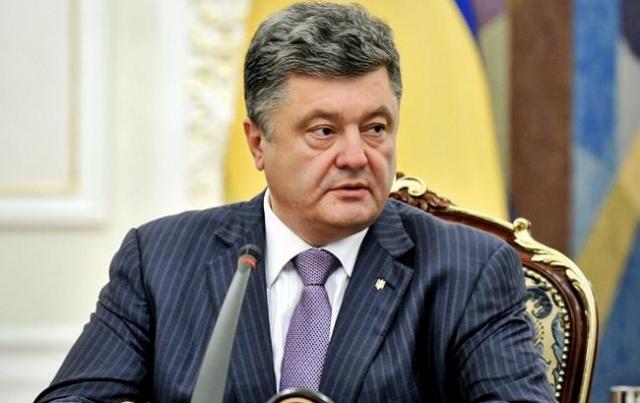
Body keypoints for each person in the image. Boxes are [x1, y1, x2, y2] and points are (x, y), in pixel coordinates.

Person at [37, 2, 554, 402]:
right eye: (324, 131)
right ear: (258, 143)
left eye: (375, 128)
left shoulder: (467, 270)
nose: (356, 156)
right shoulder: (160, 259)